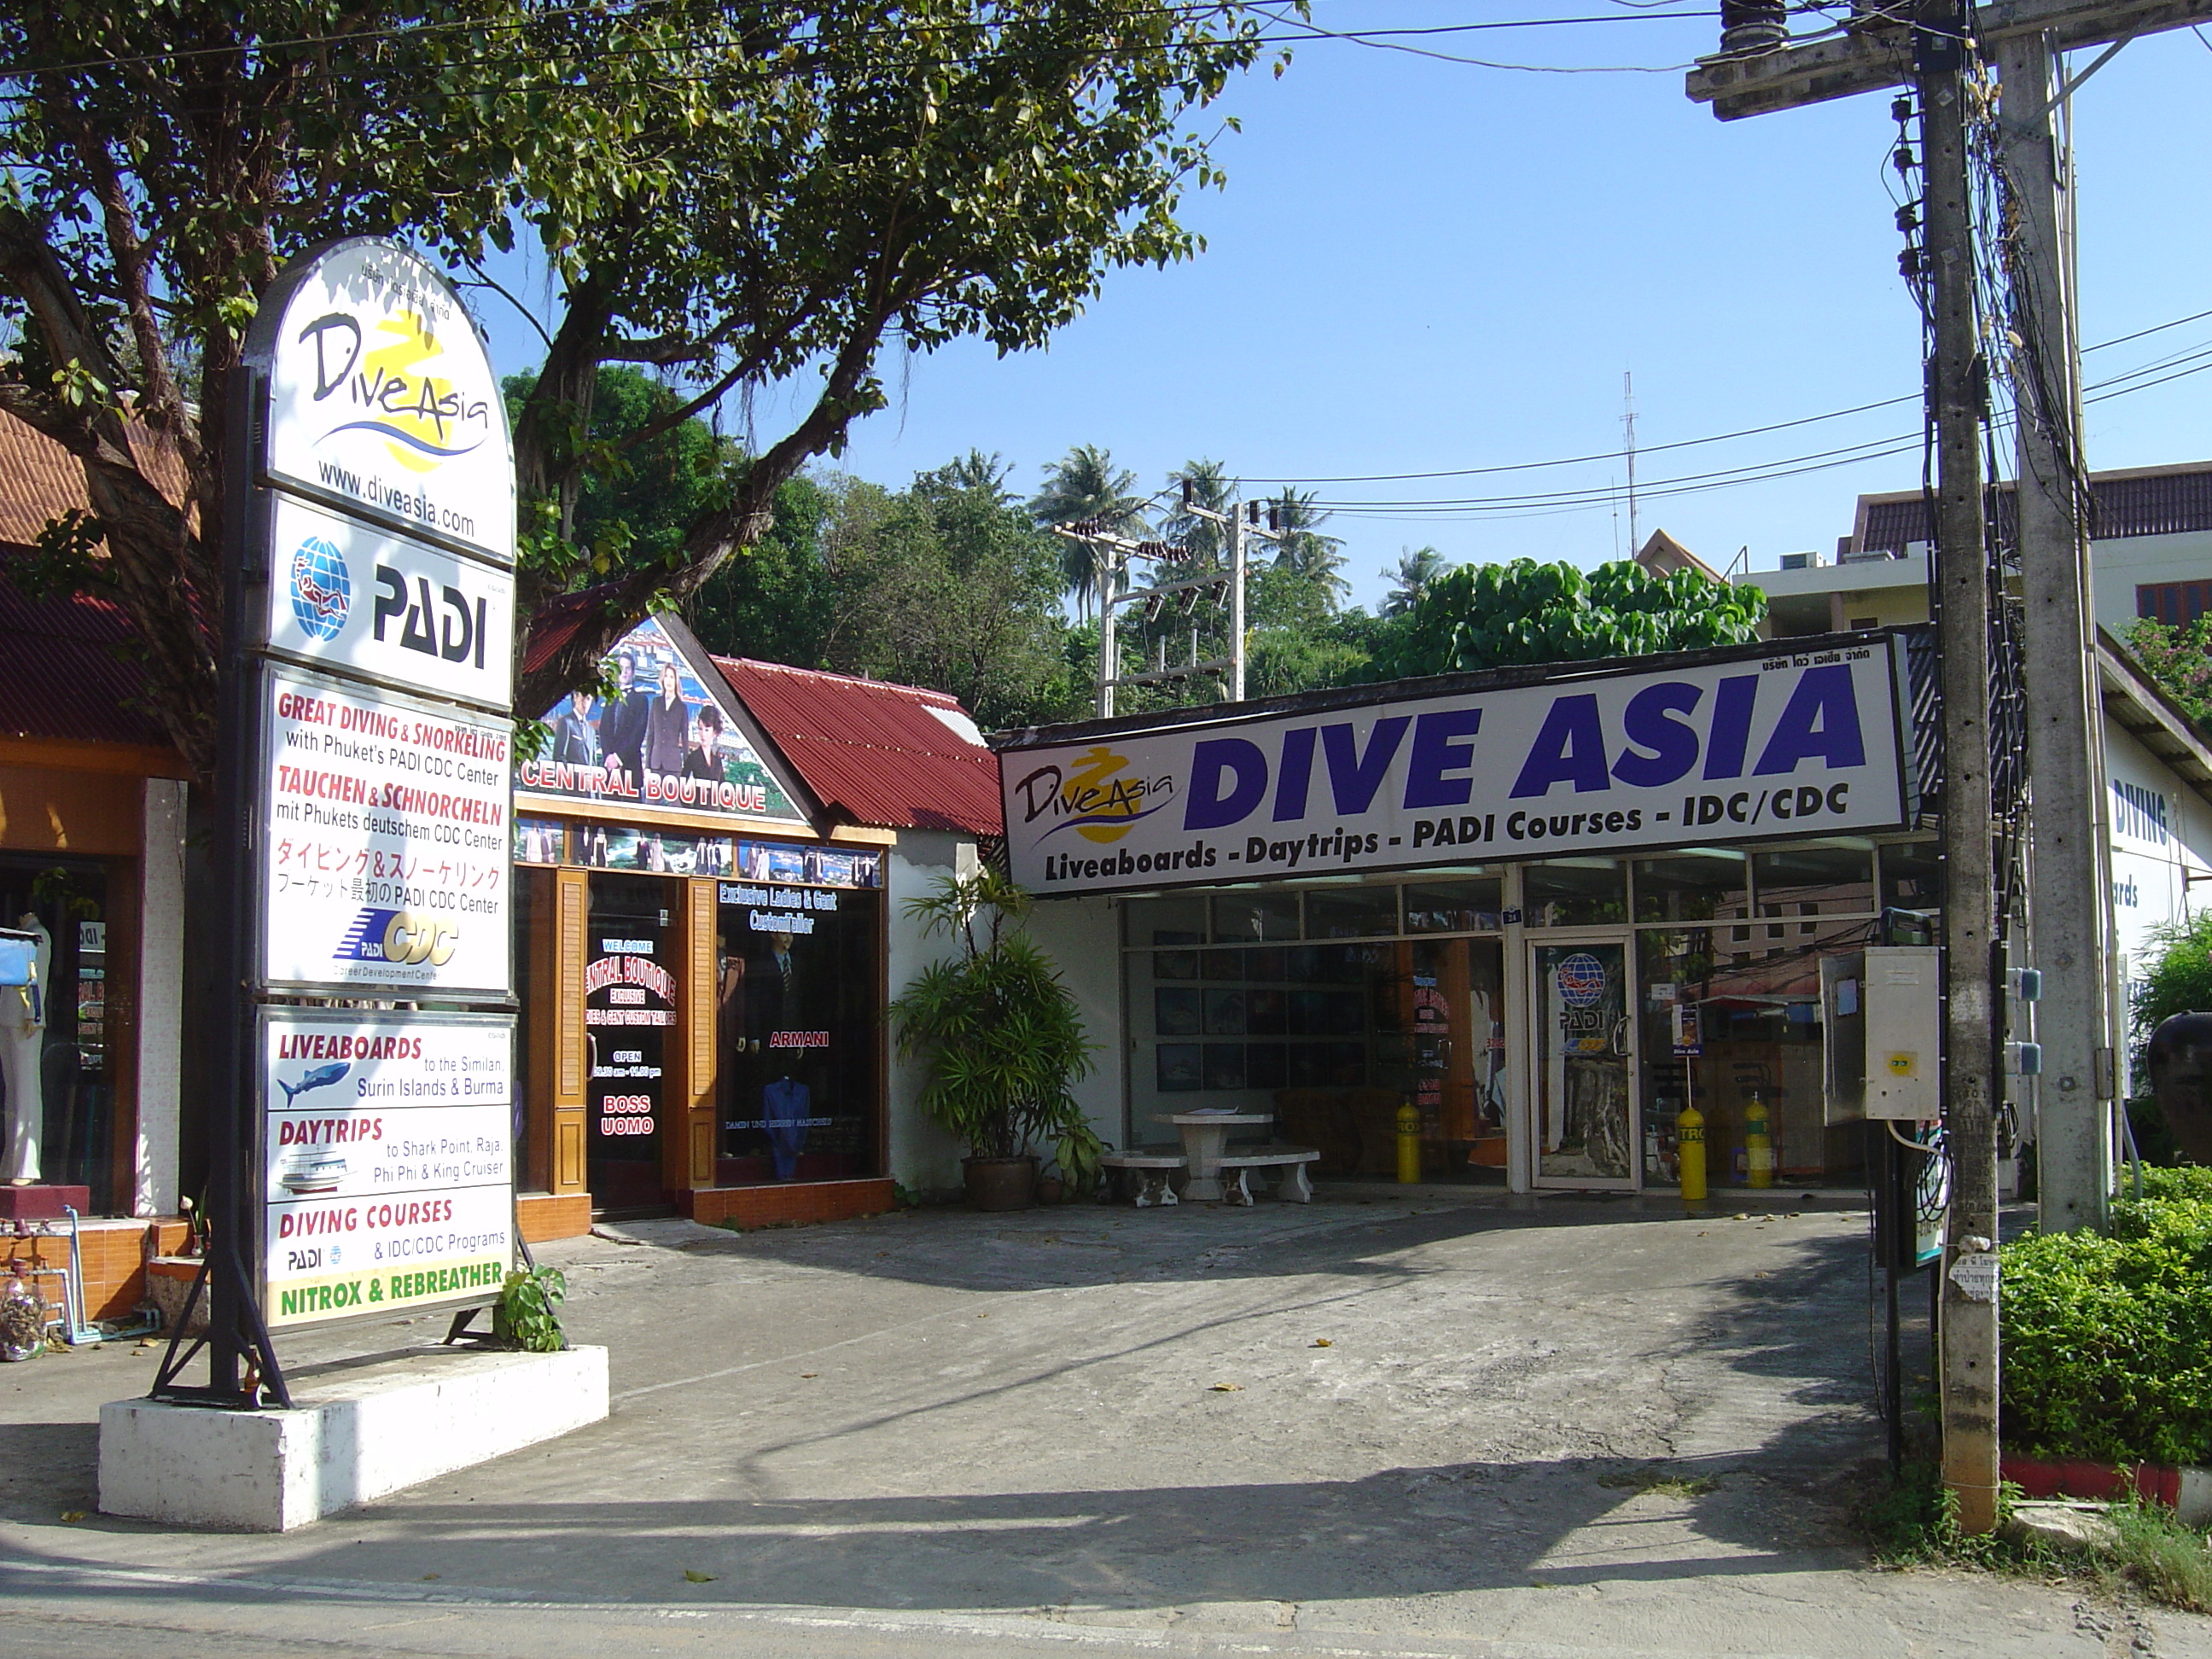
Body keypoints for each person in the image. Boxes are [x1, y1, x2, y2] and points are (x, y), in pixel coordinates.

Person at [596, 651, 649, 778]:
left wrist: (617, 758)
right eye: (621, 669)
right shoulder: (611, 698)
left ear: (633, 672)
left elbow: (637, 735)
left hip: (630, 767)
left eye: (628, 669)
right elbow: (604, 730)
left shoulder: (641, 700)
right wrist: (608, 756)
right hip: (609, 770)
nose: (624, 672)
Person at [642, 658, 690, 779]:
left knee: (675, 799)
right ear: (662, 679)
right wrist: (647, 765)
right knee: (651, 799)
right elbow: (651, 735)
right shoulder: (656, 703)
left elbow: (685, 740)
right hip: (655, 763)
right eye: (666, 676)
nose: (668, 680)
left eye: (672, 677)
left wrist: (687, 769)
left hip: (673, 765)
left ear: (676, 681)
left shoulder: (681, 707)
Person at [550, 688, 600, 768]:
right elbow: (558, 757)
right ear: (575, 697)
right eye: (583, 697)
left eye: (589, 699)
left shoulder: (591, 730)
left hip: (587, 778)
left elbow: (593, 762)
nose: (586, 703)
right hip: (570, 777)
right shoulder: (566, 722)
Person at [684, 703, 725, 781]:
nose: (703, 734)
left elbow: (723, 787)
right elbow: (682, 783)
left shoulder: (717, 762)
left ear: (714, 732)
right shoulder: (693, 758)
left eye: (707, 730)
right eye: (700, 729)